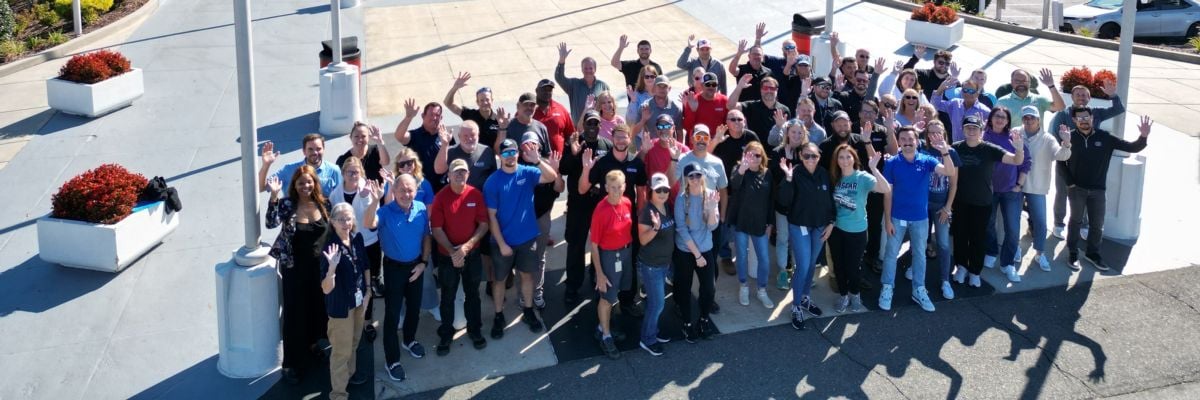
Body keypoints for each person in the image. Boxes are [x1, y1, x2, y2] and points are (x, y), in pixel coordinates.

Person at [483, 139, 559, 337]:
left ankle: (527, 310)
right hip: (503, 243)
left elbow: (551, 177)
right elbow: (491, 217)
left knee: (527, 276)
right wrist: (501, 244)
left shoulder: (527, 172)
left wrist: (537, 160)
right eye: (506, 153)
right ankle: (498, 315)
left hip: (527, 239)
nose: (510, 157)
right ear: (500, 156)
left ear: (518, 153)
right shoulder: (492, 182)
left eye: (513, 152)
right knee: (499, 280)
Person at [265, 166, 331, 384]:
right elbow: (271, 222)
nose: (305, 186)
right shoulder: (288, 204)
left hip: (318, 270)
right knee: (294, 314)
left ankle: (312, 346)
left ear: (315, 183)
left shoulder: (324, 203)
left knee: (316, 307)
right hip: (294, 270)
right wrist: (274, 196)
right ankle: (292, 363)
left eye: (309, 182)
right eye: (301, 183)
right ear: (294, 185)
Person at [879, 127, 956, 313]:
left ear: (917, 141)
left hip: (920, 219)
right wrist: (887, 220)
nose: (907, 142)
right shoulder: (892, 163)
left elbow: (949, 171)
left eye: (910, 139)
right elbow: (887, 194)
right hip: (897, 217)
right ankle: (887, 287)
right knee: (891, 254)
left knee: (920, 255)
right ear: (899, 141)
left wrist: (944, 151)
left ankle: (918, 289)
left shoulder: (927, 160)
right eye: (903, 139)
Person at [1062, 110, 1150, 271]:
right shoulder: (1070, 137)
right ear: (1074, 120)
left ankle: (1092, 254)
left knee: (1097, 224)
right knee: (1075, 221)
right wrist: (1070, 184)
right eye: (1080, 118)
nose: (1084, 120)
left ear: (1092, 118)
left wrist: (1143, 136)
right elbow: (1061, 161)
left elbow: (1132, 147)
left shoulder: (1105, 137)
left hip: (1098, 190)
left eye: (1086, 117)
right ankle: (1073, 253)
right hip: (1077, 189)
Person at [363, 174, 429, 382]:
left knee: (414, 307)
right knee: (391, 315)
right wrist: (375, 200)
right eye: (401, 190)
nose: (406, 194)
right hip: (393, 270)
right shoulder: (385, 211)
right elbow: (368, 222)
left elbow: (426, 236)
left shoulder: (420, 208)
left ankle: (409, 339)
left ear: (416, 191)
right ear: (394, 191)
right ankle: (392, 360)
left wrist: (423, 263)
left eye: (410, 190)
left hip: (416, 267)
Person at [580, 124, 648, 317]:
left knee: (630, 261)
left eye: (624, 137)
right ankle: (601, 297)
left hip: (628, 219)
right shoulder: (602, 162)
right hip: (606, 221)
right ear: (612, 137)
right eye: (617, 137)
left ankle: (627, 301)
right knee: (600, 259)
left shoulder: (636, 163)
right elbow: (582, 189)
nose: (620, 140)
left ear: (629, 139)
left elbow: (642, 192)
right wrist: (586, 170)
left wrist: (640, 217)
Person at [951, 115, 1025, 288]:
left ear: (981, 131)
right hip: (960, 201)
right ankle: (961, 267)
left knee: (978, 238)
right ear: (963, 130)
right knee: (960, 236)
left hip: (982, 203)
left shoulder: (990, 149)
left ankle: (975, 272)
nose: (971, 131)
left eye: (975, 128)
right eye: (968, 127)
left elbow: (1016, 160)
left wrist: (1019, 149)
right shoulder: (955, 148)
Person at [1047, 80, 1123, 240]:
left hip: (1088, 164)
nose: (1081, 97)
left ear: (1089, 98)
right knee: (1062, 192)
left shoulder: (1097, 113)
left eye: (1084, 95)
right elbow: (1053, 135)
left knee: (1087, 194)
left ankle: (1084, 225)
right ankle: (1059, 224)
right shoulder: (1063, 114)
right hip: (1066, 161)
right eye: (1077, 94)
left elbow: (1118, 109)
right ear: (1072, 97)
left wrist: (1113, 95)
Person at [429, 159, 490, 355]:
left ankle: (475, 330)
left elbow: (483, 225)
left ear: (468, 174)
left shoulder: (475, 195)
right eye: (456, 172)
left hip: (471, 254)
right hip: (448, 257)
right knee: (447, 296)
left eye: (463, 172)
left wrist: (466, 248)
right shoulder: (441, 198)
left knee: (473, 294)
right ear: (449, 175)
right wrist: (454, 251)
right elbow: (436, 229)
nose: (459, 175)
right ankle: (446, 334)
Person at [776, 142, 834, 329]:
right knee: (802, 265)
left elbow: (831, 201)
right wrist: (788, 179)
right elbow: (783, 201)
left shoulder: (824, 173)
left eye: (814, 156)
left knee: (810, 265)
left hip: (819, 226)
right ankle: (795, 306)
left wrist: (831, 222)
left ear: (819, 157)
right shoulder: (795, 173)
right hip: (799, 225)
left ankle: (805, 298)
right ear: (800, 156)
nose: (810, 159)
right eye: (806, 155)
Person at [560, 111, 615, 304]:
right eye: (589, 124)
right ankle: (572, 286)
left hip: (600, 206)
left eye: (596, 124)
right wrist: (574, 154)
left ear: (600, 126)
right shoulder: (575, 142)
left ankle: (595, 276)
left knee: (599, 244)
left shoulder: (606, 145)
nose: (592, 127)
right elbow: (563, 169)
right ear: (583, 125)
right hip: (577, 205)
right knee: (575, 245)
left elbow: (611, 172)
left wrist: (600, 186)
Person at [829, 144, 891, 313]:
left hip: (857, 230)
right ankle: (843, 295)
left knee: (853, 266)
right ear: (836, 160)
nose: (845, 161)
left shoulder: (862, 177)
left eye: (848, 157)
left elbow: (886, 189)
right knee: (839, 265)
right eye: (841, 157)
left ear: (854, 158)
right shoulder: (834, 178)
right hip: (836, 230)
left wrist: (874, 169)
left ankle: (855, 294)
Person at [319, 203, 371, 400]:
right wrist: (332, 268)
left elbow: (365, 264)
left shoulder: (357, 238)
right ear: (332, 222)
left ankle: (349, 375)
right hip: (341, 307)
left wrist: (368, 291)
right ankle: (338, 394)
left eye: (348, 218)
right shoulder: (330, 247)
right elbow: (326, 288)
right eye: (341, 219)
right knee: (341, 352)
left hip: (358, 301)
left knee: (354, 342)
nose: (346, 223)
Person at [330, 158, 382, 343]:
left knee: (369, 284)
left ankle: (367, 321)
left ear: (361, 173)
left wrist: (368, 198)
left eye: (356, 172)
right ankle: (351, 319)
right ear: (343, 174)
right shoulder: (335, 194)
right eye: (349, 172)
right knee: (351, 283)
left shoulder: (367, 190)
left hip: (369, 244)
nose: (353, 176)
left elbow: (373, 220)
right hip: (347, 246)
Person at [1017, 105, 1072, 272]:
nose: (1029, 121)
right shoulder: (1015, 132)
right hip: (1016, 185)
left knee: (1040, 222)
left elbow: (1061, 155)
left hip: (1037, 187)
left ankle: (1040, 253)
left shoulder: (1048, 139)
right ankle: (1015, 249)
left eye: (1032, 118)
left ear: (1038, 120)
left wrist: (1067, 143)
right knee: (1012, 221)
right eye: (1026, 118)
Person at [981, 107, 1031, 283]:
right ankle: (991, 251)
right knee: (988, 223)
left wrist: (1019, 184)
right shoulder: (982, 137)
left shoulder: (1014, 138)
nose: (1000, 120)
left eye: (1003, 117)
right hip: (989, 190)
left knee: (1012, 229)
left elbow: (1026, 161)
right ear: (991, 118)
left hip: (1011, 191)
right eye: (997, 116)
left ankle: (1007, 263)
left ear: (1008, 121)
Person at [589, 170, 635, 359]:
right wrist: (599, 273)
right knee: (607, 297)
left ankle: (603, 326)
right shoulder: (600, 210)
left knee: (616, 292)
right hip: (608, 256)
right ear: (606, 188)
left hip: (625, 252)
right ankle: (606, 336)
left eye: (620, 187)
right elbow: (593, 245)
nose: (616, 191)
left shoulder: (627, 203)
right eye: (612, 188)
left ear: (625, 186)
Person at [675, 163, 723, 341]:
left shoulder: (710, 195)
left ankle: (703, 320)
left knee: (709, 289)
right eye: (691, 176)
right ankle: (687, 324)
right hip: (686, 251)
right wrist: (697, 255)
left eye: (697, 175)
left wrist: (711, 209)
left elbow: (712, 226)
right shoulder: (681, 199)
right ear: (686, 179)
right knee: (683, 289)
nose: (695, 179)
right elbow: (681, 228)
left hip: (705, 248)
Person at [518, 132, 564, 313]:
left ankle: (537, 291)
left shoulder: (546, 164)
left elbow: (559, 187)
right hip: (521, 219)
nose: (531, 148)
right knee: (522, 258)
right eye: (527, 144)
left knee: (539, 256)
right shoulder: (516, 164)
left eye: (534, 144)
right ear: (522, 147)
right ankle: (523, 293)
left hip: (542, 216)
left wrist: (556, 170)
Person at [710, 110, 760, 275]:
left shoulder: (751, 136)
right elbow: (705, 155)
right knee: (724, 224)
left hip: (746, 191)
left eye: (740, 119)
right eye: (733, 119)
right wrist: (715, 141)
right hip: (725, 190)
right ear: (727, 122)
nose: (737, 122)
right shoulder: (722, 138)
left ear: (745, 121)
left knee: (742, 224)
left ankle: (742, 254)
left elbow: (761, 158)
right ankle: (725, 256)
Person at [728, 141, 776, 308]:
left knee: (764, 259)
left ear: (762, 156)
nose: (754, 158)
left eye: (757, 155)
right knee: (741, 256)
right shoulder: (739, 170)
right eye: (750, 154)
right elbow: (734, 184)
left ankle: (762, 290)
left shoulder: (767, 173)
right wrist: (742, 167)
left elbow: (771, 200)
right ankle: (744, 286)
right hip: (741, 222)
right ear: (745, 155)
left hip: (760, 223)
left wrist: (770, 223)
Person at [917, 121, 960, 300]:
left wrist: (948, 208)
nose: (935, 136)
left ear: (944, 133)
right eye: (931, 133)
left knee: (942, 243)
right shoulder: (922, 150)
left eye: (938, 132)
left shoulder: (951, 153)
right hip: (922, 205)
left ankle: (945, 280)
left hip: (941, 206)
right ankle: (916, 274)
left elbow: (954, 184)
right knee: (918, 242)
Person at [637, 173, 676, 355]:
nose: (662, 193)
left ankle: (653, 332)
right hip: (651, 266)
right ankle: (647, 339)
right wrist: (655, 228)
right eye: (658, 190)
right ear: (651, 191)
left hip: (664, 264)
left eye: (665, 190)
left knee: (657, 303)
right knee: (657, 304)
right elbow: (643, 240)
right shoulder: (647, 212)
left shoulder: (667, 207)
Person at [258, 133, 341, 198]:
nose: (315, 153)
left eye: (318, 149)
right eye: (310, 149)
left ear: (323, 149)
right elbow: (260, 187)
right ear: (304, 151)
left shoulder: (334, 170)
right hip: (295, 218)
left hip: (323, 218)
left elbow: (341, 197)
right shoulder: (289, 170)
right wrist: (266, 165)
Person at [443, 72, 508, 151]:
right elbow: (448, 103)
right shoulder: (470, 115)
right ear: (477, 102)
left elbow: (501, 148)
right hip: (471, 158)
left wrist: (502, 127)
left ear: (492, 100)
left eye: (487, 100)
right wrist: (455, 88)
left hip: (489, 159)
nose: (485, 103)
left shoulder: (499, 120)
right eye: (481, 100)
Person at [393, 100, 447, 192]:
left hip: (442, 188)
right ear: (423, 116)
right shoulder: (415, 135)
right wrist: (408, 117)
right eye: (431, 114)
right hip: (420, 188)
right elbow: (399, 136)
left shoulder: (445, 137)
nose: (434, 118)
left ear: (441, 117)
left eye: (437, 115)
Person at [729, 75, 791, 151]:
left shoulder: (784, 110)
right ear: (761, 90)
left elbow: (788, 136)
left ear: (776, 90)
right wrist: (739, 87)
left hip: (776, 154)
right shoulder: (751, 106)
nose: (768, 91)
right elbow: (730, 106)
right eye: (765, 88)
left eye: (772, 88)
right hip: (755, 154)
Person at [433, 120, 497, 190]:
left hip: (481, 197)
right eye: (465, 136)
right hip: (458, 197)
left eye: (472, 135)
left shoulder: (487, 151)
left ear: (478, 135)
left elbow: (495, 177)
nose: (469, 139)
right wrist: (444, 145)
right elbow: (439, 170)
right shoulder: (450, 151)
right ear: (459, 136)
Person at [556, 42, 610, 122]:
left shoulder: (603, 86)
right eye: (585, 68)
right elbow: (559, 78)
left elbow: (610, 106)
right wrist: (561, 61)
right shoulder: (573, 84)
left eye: (591, 68)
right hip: (578, 129)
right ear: (581, 69)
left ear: (595, 69)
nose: (588, 71)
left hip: (598, 128)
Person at [932, 76, 991, 142]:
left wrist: (983, 129)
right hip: (956, 147)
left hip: (976, 149)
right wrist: (941, 88)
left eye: (971, 91)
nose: (967, 93)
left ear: (977, 93)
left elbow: (991, 133)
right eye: (965, 90)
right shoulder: (955, 103)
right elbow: (935, 105)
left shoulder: (985, 111)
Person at [995, 69, 1065, 122]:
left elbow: (1060, 107)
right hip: (1012, 141)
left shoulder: (1040, 100)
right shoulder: (1002, 102)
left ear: (1029, 83)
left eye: (1024, 81)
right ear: (1012, 82)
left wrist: (1051, 85)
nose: (1021, 83)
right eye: (1017, 81)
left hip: (1037, 141)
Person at [682, 72, 729, 143]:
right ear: (702, 85)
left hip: (719, 142)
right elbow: (687, 128)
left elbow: (728, 124)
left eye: (714, 84)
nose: (711, 87)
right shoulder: (693, 101)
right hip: (699, 142)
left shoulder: (724, 100)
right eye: (707, 84)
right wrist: (692, 111)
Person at [533, 79, 576, 154]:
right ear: (536, 90)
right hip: (537, 160)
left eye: (549, 90)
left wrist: (571, 147)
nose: (547, 92)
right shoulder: (529, 109)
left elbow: (570, 133)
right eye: (544, 89)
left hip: (560, 160)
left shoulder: (560, 109)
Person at [504, 92, 553, 160]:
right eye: (525, 104)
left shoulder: (541, 128)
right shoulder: (508, 126)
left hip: (538, 169)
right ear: (518, 106)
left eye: (532, 105)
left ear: (536, 107)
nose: (529, 107)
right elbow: (500, 151)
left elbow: (547, 155)